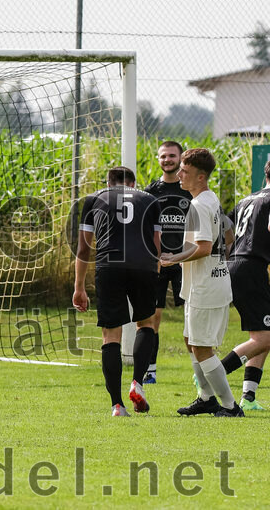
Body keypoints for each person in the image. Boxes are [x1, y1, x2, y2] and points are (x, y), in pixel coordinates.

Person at [73, 166, 161, 417]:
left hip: (109, 266)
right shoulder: (150, 200)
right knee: (146, 323)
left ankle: (117, 405)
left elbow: (83, 249)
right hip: (143, 266)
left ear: (108, 184)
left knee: (111, 335)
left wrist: (79, 287)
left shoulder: (94, 200)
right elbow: (156, 246)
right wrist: (153, 272)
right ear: (133, 184)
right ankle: (138, 383)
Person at [161, 148, 241, 417]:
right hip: (203, 283)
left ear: (201, 176)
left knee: (202, 348)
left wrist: (174, 258)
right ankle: (206, 397)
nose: (179, 174)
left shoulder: (199, 204)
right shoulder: (208, 198)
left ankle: (230, 406)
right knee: (190, 340)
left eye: (185, 171)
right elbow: (225, 238)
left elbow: (205, 248)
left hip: (206, 286)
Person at [217, 159, 270, 411]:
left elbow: (226, 230)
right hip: (253, 268)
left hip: (236, 265)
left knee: (261, 334)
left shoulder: (247, 199)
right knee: (267, 335)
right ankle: (214, 374)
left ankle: (248, 398)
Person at [141, 140, 190, 384]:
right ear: (158, 159)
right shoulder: (149, 193)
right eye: (163, 156)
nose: (167, 160)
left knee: (192, 317)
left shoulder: (190, 190)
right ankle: (150, 370)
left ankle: (199, 370)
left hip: (186, 262)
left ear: (181, 158)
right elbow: (142, 229)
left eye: (172, 156)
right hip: (158, 263)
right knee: (153, 317)